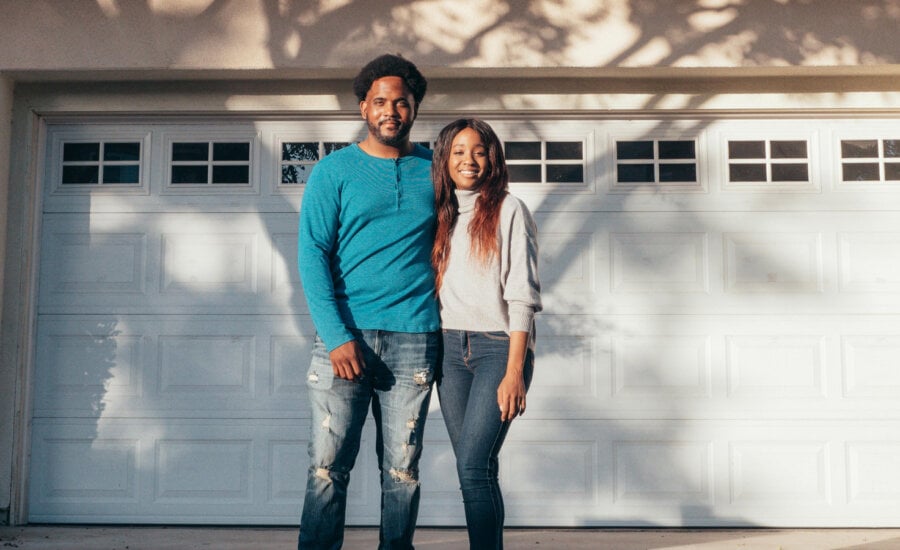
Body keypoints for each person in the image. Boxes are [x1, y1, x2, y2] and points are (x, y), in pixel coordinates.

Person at [296, 54, 441, 550]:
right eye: (380, 101)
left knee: (402, 470)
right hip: (345, 341)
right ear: (364, 107)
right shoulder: (333, 171)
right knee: (327, 467)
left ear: (415, 107)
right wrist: (337, 338)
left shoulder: (437, 171)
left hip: (416, 339)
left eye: (401, 101)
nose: (391, 110)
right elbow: (312, 255)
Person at [431, 119, 542, 550]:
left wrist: (515, 371)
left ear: (491, 158)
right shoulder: (440, 213)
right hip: (447, 350)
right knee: (473, 467)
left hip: (497, 350)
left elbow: (523, 295)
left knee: (475, 466)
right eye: (458, 151)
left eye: (478, 151)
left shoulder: (509, 209)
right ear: (445, 158)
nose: (468, 160)